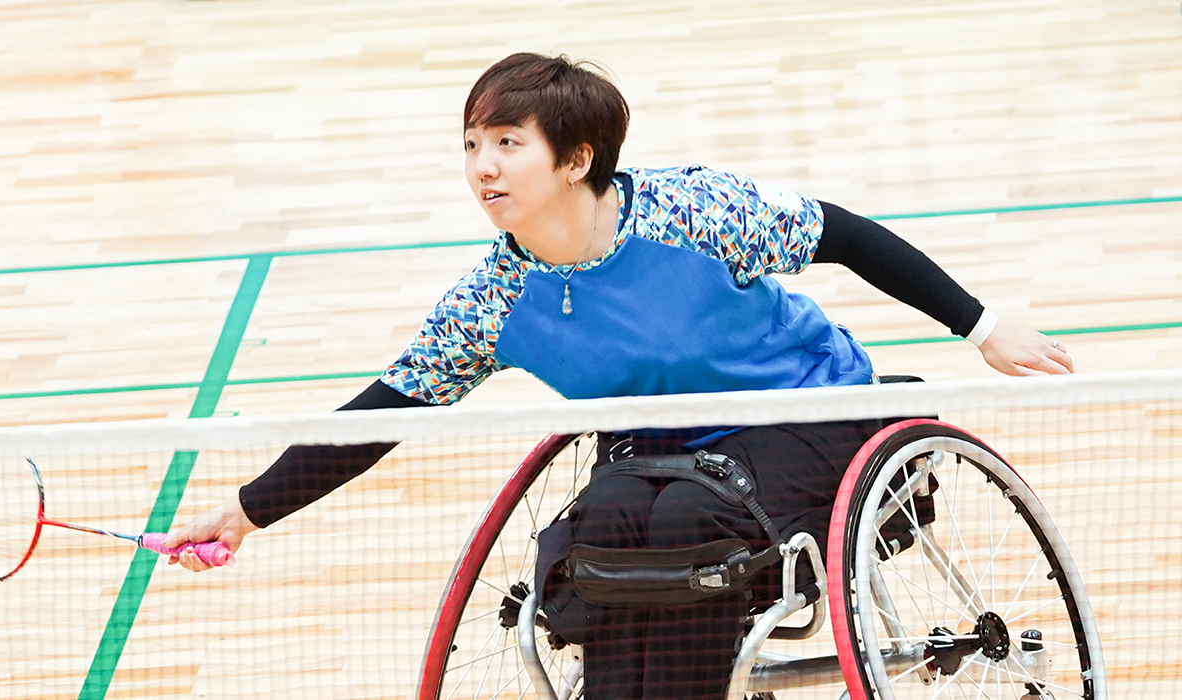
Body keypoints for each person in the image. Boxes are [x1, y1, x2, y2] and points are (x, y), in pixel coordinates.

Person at [162, 53, 1073, 699]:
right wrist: (246, 512)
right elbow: (381, 411)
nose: (483, 167)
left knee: (686, 526)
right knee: (606, 525)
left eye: (508, 143)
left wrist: (981, 325)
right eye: (474, 144)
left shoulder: (692, 211)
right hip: (660, 456)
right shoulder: (494, 300)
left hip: (811, 412)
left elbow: (845, 235)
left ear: (577, 159)